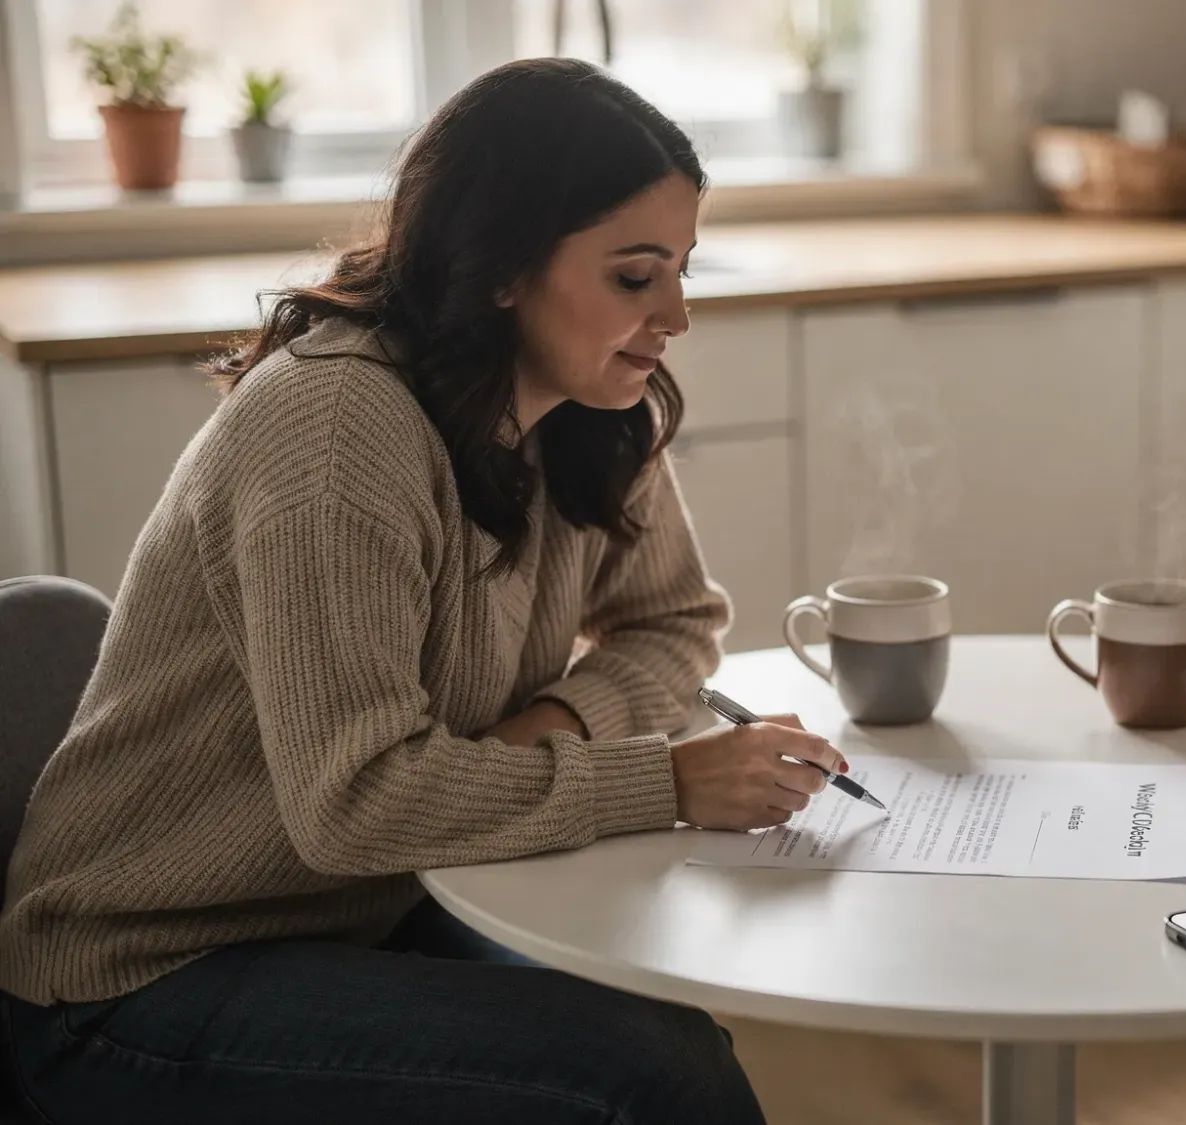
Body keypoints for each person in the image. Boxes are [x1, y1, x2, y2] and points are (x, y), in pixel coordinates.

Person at [0, 58, 842, 1124]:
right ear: (501, 269)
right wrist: (664, 783)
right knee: (653, 1074)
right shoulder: (336, 431)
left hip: (362, 906)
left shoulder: (592, 403)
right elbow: (354, 806)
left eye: (680, 267)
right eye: (635, 277)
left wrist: (556, 722)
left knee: (661, 1020)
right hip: (138, 976)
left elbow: (675, 622)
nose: (676, 313)